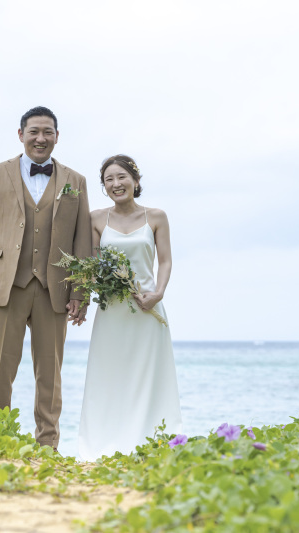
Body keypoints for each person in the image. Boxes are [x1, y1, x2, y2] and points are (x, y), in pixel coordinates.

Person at [0, 106, 92, 451]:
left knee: (50, 374)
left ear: (57, 137)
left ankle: (48, 445)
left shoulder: (76, 181)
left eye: (48, 132)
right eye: (34, 131)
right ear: (21, 134)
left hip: (55, 288)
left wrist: (80, 293)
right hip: (6, 285)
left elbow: (82, 240)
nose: (41, 138)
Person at [77, 154, 183, 460]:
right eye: (108, 179)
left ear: (135, 181)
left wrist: (158, 293)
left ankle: (152, 441)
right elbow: (91, 264)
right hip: (112, 311)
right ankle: (104, 443)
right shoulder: (96, 219)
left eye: (121, 177)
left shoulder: (157, 217)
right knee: (109, 376)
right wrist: (94, 288)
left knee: (149, 378)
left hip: (147, 310)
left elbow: (165, 260)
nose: (116, 184)